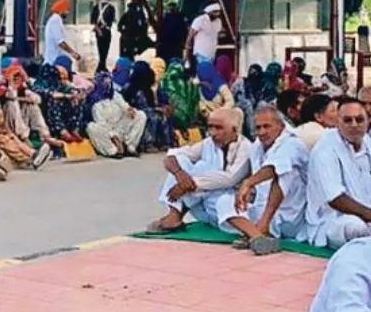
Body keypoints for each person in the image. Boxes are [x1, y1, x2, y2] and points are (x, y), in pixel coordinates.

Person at [146, 107, 254, 236]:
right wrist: (180, 174)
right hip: (203, 203)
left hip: (226, 206)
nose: (213, 133)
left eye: (219, 128)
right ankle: (174, 215)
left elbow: (230, 179)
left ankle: (252, 233)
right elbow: (172, 155)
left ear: (234, 130)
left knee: (205, 169)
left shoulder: (246, 148)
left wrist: (190, 183)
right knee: (182, 160)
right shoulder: (209, 143)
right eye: (210, 127)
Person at [305, 97, 371, 249]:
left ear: (368, 122)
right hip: (335, 221)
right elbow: (335, 198)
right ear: (338, 123)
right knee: (356, 228)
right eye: (348, 120)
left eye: (359, 120)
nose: (354, 125)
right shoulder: (325, 150)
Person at [234, 106, 309, 252]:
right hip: (260, 212)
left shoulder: (293, 144)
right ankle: (257, 236)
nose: (262, 132)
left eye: (267, 126)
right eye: (258, 128)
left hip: (291, 218)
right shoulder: (257, 146)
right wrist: (250, 191)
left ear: (281, 126)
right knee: (224, 201)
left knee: (283, 172)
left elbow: (274, 168)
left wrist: (248, 183)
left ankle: (259, 231)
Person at [85, 71, 146, 158]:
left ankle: (130, 147)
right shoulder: (94, 101)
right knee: (91, 127)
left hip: (119, 127)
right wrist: (114, 136)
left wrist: (130, 110)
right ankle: (112, 151)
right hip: (107, 132)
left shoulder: (114, 95)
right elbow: (101, 123)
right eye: (105, 83)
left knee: (140, 115)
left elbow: (124, 106)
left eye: (109, 82)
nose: (108, 85)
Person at [41, 0, 79, 65]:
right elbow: (60, 42)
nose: (68, 13)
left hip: (56, 59)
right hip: (54, 60)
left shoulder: (57, 20)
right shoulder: (55, 20)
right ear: (62, 10)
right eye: (67, 10)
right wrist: (73, 53)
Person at [90, 0, 117, 71]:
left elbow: (92, 20)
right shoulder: (111, 8)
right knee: (105, 49)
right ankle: (102, 66)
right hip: (107, 30)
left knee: (100, 48)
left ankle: (101, 66)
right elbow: (112, 20)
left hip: (98, 30)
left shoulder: (95, 7)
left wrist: (98, 29)